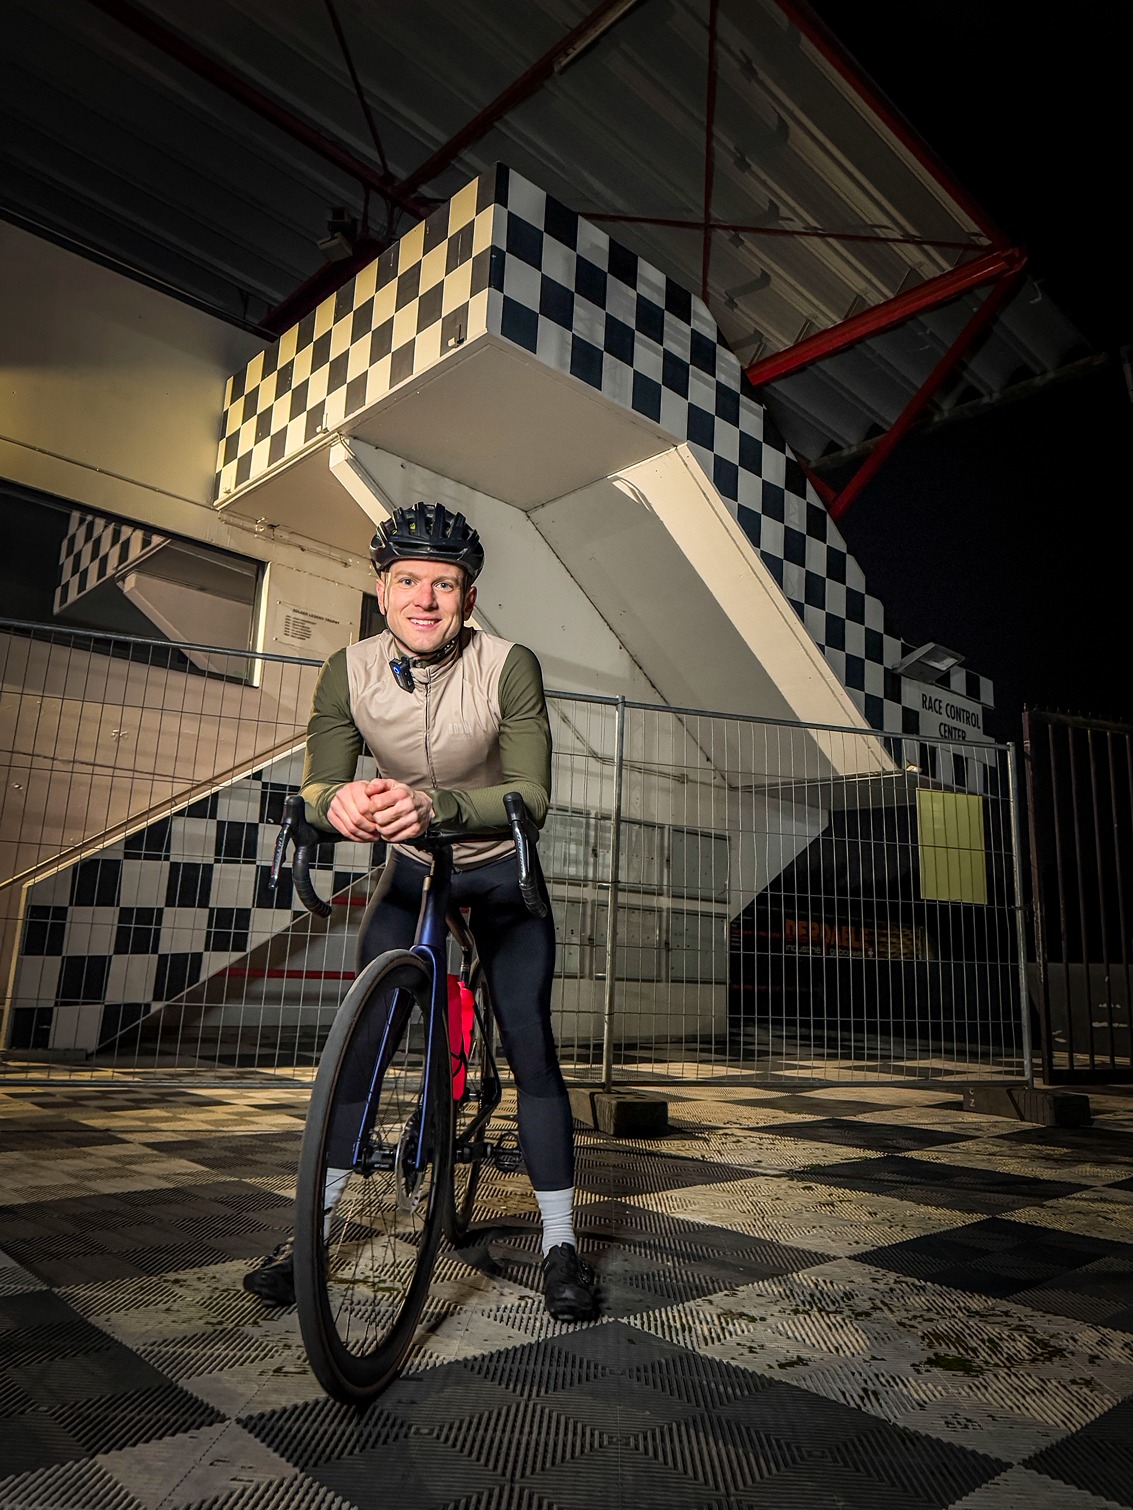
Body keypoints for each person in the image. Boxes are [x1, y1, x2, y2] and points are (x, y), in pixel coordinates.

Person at [244, 502, 598, 1322]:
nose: (425, 600)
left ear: (468, 599)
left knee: (530, 1045)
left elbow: (532, 793)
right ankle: (310, 1234)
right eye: (407, 581)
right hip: (411, 874)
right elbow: (320, 779)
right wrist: (335, 804)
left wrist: (436, 805)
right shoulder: (348, 668)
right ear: (382, 590)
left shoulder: (508, 664)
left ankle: (560, 1243)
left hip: (497, 871)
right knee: (362, 1045)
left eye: (444, 585)